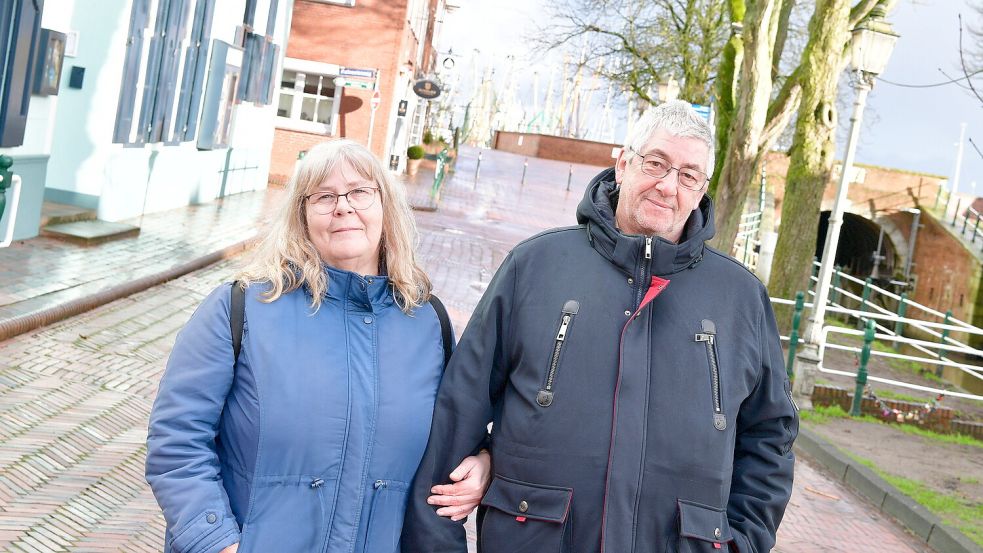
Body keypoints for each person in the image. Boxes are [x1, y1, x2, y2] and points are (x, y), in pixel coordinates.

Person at [402, 100, 798, 552]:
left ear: (700, 189)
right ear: (624, 163)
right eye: (656, 163)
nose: (668, 186)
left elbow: (770, 435)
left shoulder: (740, 297)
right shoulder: (535, 267)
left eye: (688, 175)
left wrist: (743, 543)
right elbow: (459, 410)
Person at [146, 139, 490, 553]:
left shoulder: (426, 321)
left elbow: (452, 432)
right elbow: (177, 440)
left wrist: (483, 462)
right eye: (324, 196)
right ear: (302, 215)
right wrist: (217, 541)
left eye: (360, 192)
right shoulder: (241, 307)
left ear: (386, 207)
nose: (343, 206)